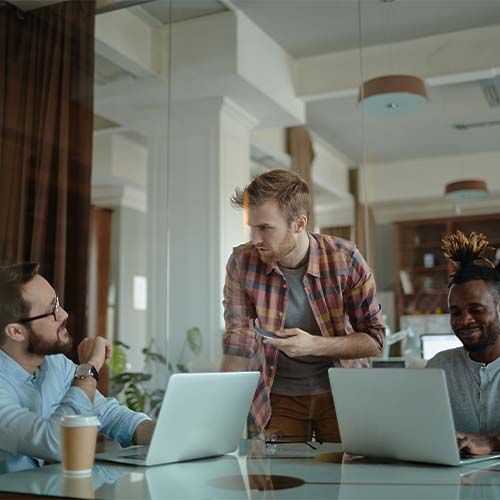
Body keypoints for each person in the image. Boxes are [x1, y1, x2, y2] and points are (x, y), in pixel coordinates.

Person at [220, 169, 385, 442]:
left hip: (341, 393)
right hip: (280, 396)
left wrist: (314, 345)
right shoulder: (242, 262)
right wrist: (218, 407)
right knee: (282, 480)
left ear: (299, 223)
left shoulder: (346, 259)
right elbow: (239, 340)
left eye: (265, 228)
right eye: (252, 227)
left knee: (344, 477)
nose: (255, 239)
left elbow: (375, 340)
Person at [0, 262, 155, 472]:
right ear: (16, 332)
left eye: (58, 303)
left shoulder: (54, 364)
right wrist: (89, 368)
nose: (63, 314)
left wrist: (164, 435)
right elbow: (58, 442)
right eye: (51, 310)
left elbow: (109, 415)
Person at [427, 231, 500, 455]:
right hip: (457, 484)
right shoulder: (440, 367)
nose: (464, 321)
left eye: (476, 310)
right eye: (455, 312)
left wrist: (492, 442)